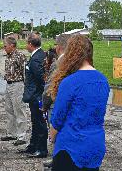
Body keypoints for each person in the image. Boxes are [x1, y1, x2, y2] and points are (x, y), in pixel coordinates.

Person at [48, 35, 109, 171]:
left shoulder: (70, 82)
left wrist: (52, 137)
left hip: (70, 146)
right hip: (95, 144)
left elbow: (57, 118)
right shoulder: (103, 80)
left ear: (71, 54)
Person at [41, 34, 70, 169]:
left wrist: (45, 104)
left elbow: (50, 86)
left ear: (59, 47)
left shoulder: (58, 63)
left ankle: (57, 161)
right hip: (67, 103)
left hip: (55, 103)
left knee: (55, 134)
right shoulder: (73, 62)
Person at [18, 33, 48, 158]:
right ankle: (33, 146)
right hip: (35, 95)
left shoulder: (36, 58)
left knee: (39, 122)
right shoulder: (39, 55)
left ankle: (41, 149)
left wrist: (39, 95)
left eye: (26, 43)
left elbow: (41, 79)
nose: (26, 45)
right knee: (35, 122)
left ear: (30, 44)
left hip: (37, 96)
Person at [0, 36, 27, 146]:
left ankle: (21, 136)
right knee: (9, 109)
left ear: (12, 45)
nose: (4, 48)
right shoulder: (8, 56)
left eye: (5, 46)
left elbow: (24, 72)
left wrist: (25, 87)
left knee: (19, 110)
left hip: (17, 84)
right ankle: (12, 133)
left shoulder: (20, 56)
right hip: (9, 84)